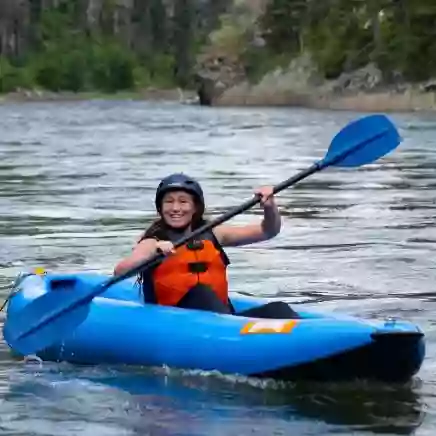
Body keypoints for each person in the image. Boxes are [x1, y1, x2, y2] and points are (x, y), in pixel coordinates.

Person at [114, 173, 299, 319]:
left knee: (279, 309)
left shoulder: (214, 233)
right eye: (169, 202)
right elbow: (120, 271)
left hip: (221, 318)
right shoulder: (152, 241)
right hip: (172, 322)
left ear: (195, 208)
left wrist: (269, 208)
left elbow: (268, 231)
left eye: (183, 201)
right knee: (202, 293)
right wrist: (154, 253)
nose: (176, 208)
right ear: (160, 208)